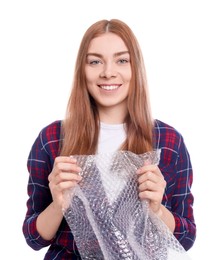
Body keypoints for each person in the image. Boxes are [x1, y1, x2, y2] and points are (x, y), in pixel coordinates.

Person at [22, 19, 196, 259]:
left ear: (135, 68)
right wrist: (59, 203)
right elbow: (33, 238)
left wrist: (157, 209)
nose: (108, 72)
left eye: (122, 60)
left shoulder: (168, 142)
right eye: (95, 61)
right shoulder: (52, 139)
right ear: (82, 70)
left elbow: (186, 239)